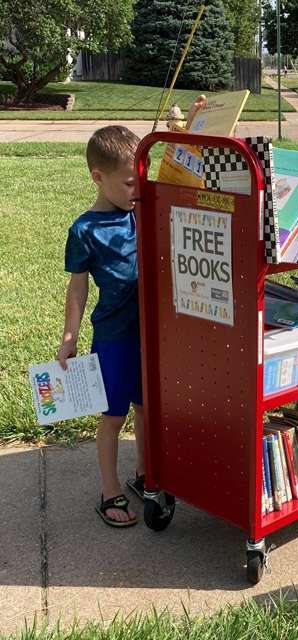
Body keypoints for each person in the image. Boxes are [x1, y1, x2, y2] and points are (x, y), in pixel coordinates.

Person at [56, 125, 145, 528]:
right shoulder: (84, 230)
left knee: (147, 407)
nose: (136, 190)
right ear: (98, 177)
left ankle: (147, 475)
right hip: (114, 337)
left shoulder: (141, 211)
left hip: (152, 333)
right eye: (129, 182)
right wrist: (69, 337)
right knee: (114, 415)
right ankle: (110, 489)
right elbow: (77, 290)